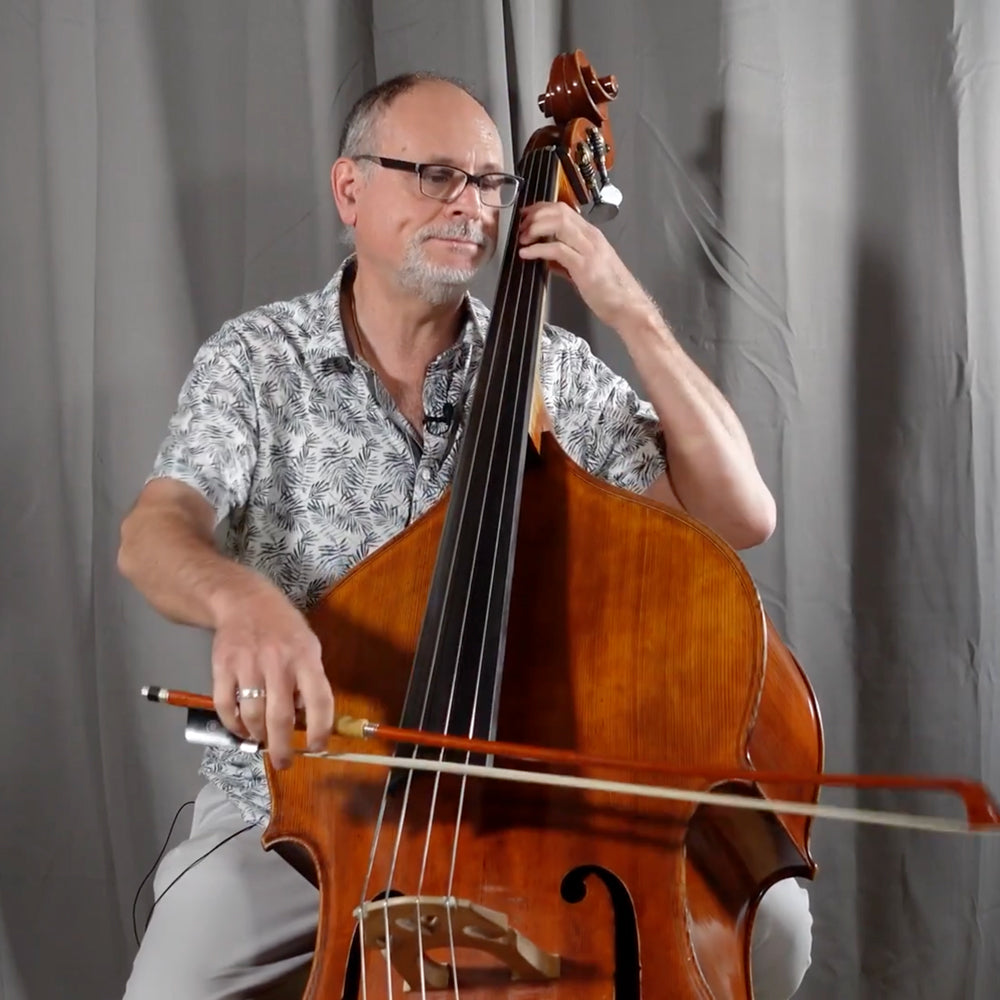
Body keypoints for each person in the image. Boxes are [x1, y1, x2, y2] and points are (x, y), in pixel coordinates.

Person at [117, 71, 812, 999]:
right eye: (434, 173)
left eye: (489, 182)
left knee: (771, 930)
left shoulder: (550, 373)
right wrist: (242, 598)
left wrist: (624, 306)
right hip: (306, 816)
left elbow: (741, 516)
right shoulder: (257, 363)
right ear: (350, 189)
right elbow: (157, 529)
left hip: (532, 812)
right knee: (174, 985)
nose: (470, 204)